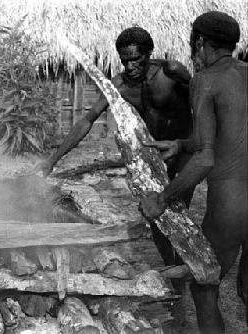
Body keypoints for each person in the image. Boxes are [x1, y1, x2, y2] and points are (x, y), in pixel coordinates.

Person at [34, 27, 195, 276]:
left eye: (136, 59)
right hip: (154, 155)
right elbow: (86, 121)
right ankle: (172, 269)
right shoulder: (118, 85)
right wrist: (52, 160)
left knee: (179, 209)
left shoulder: (171, 72)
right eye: (125, 60)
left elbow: (201, 100)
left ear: (149, 53)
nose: (130, 66)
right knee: (155, 214)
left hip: (184, 150)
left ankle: (190, 264)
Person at [139, 11, 247, 333]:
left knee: (204, 285)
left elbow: (206, 158)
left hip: (233, 202)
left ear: (200, 43)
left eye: (191, 44)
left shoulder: (205, 80)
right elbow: (228, 135)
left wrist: (161, 198)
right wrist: (182, 144)